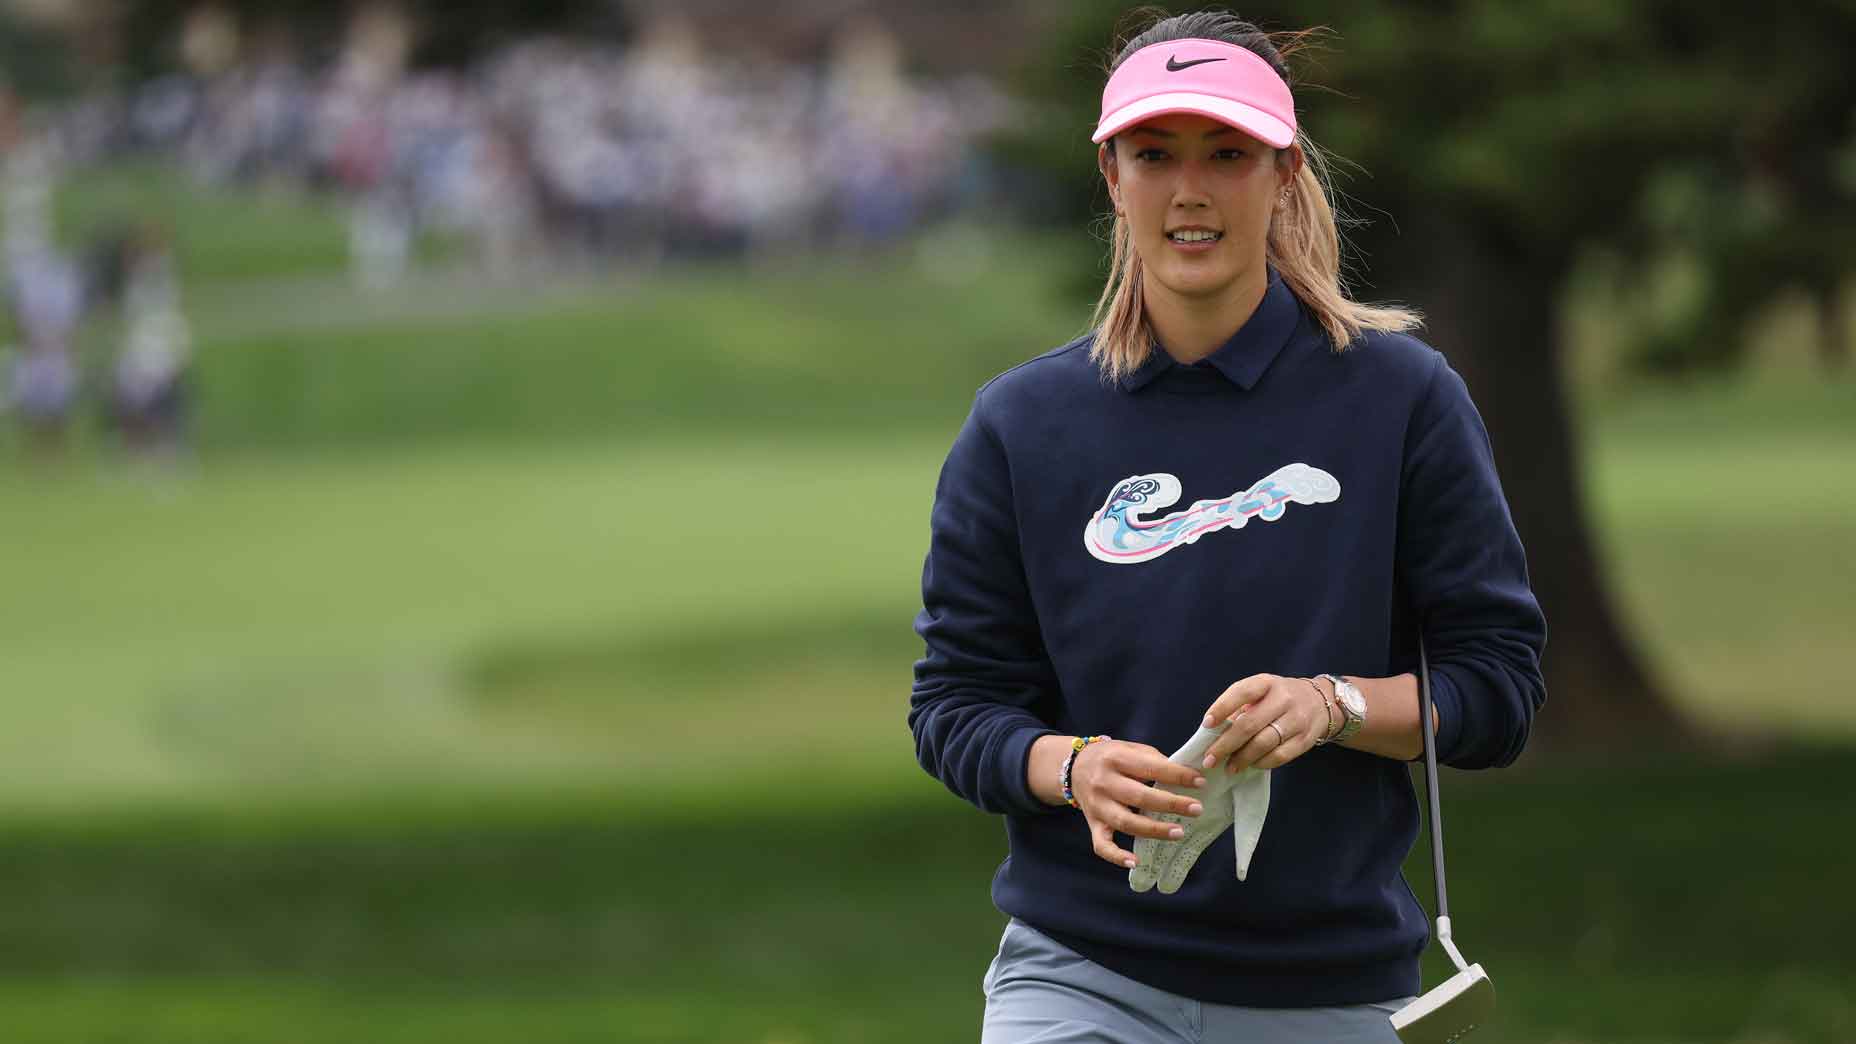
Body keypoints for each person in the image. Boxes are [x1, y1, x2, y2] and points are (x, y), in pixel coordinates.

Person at [908, 10, 1547, 1043]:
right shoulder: (1021, 426)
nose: (1188, 190)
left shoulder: (1400, 401)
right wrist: (1069, 768)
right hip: (1081, 973)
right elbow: (955, 705)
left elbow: (1497, 689)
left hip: (1332, 984)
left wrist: (1329, 705)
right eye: (1153, 156)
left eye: (1226, 153)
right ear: (1110, 178)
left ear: (1283, 172)